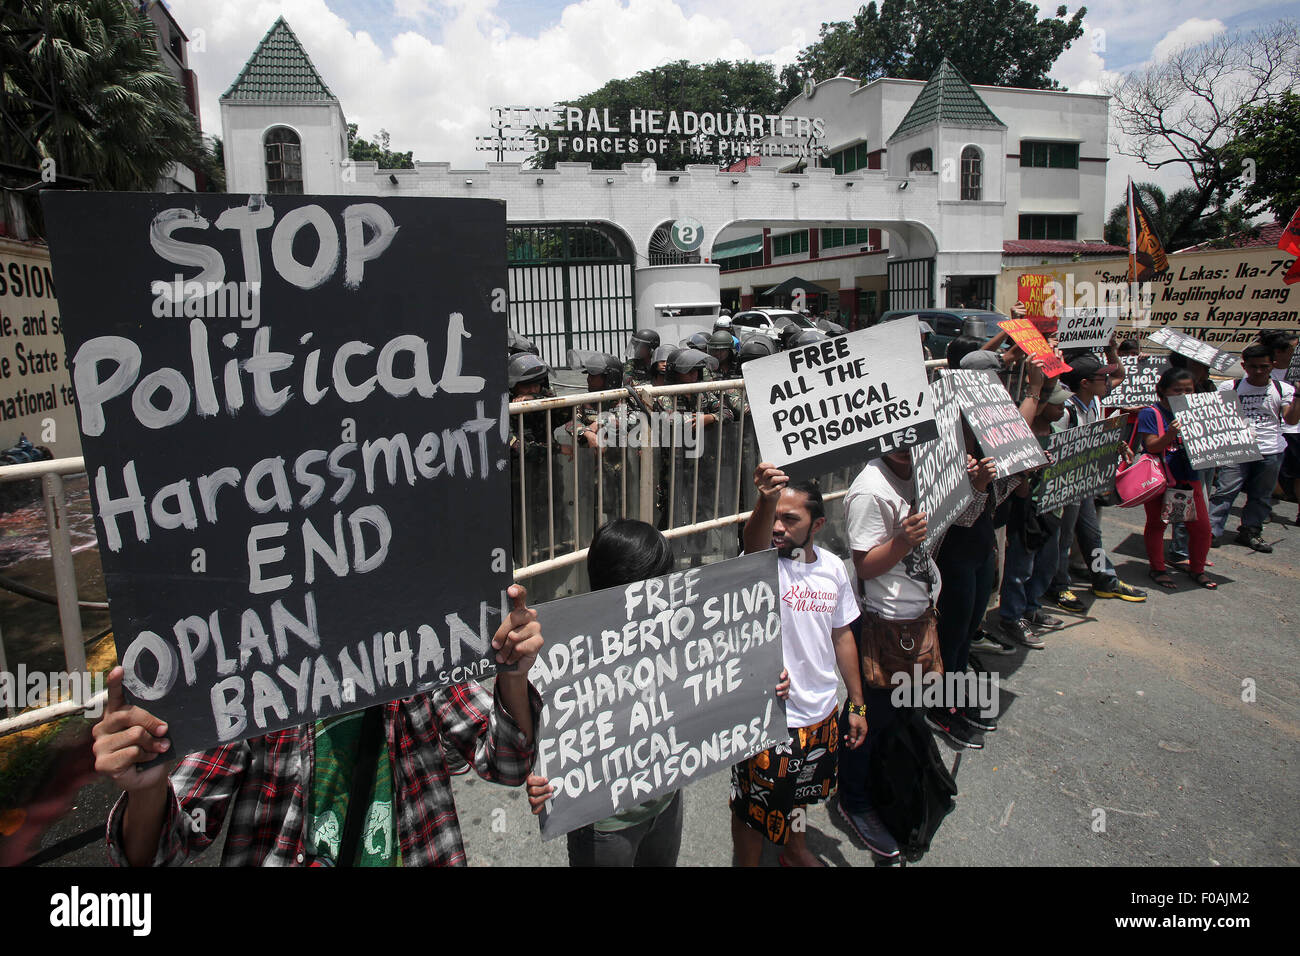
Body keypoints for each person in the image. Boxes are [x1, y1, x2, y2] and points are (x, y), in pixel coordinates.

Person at [92, 585, 544, 866]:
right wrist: (148, 788)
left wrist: (513, 675)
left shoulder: (415, 649)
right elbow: (163, 850)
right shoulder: (251, 675)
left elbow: (506, 762)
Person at [523, 520, 699, 866]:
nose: (668, 589)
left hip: (666, 801)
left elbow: (718, 676)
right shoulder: (567, 655)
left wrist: (766, 683)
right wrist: (539, 768)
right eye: (659, 581)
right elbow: (536, 726)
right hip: (604, 821)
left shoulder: (674, 628)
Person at [733, 467, 866, 866]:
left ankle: (795, 849)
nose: (778, 527)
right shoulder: (762, 563)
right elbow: (754, 541)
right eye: (774, 516)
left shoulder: (833, 569)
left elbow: (842, 636)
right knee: (750, 810)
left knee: (800, 795)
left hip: (820, 716)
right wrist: (765, 498)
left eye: (790, 519)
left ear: (819, 524)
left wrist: (856, 703)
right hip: (769, 720)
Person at [838, 448, 940, 859]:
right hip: (885, 628)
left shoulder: (928, 467)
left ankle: (880, 781)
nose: (908, 439)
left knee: (895, 712)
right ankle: (854, 800)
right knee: (866, 716)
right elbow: (864, 566)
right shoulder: (869, 490)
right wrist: (901, 541)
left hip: (917, 620)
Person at [1044, 353, 1147, 612]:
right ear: (1085, 383)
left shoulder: (1096, 403)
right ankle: (1058, 585)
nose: (1109, 381)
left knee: (1092, 534)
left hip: (1085, 484)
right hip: (1067, 487)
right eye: (1103, 377)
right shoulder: (1065, 411)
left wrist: (1117, 444)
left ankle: (1104, 577)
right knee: (1064, 538)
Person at [995, 378, 1071, 649]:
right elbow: (1020, 487)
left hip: (1053, 508)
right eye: (1056, 403)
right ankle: (1012, 615)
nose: (1062, 407)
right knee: (1020, 567)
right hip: (1026, 512)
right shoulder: (1023, 436)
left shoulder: (1059, 433)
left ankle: (1031, 607)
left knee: (1046, 563)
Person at [1208, 343, 1299, 552]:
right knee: (1225, 491)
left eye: (1264, 367)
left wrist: (1299, 398)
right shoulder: (1229, 387)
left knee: (1261, 494)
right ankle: (1212, 530)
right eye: (1253, 367)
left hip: (1270, 450)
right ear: (1244, 366)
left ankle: (1250, 531)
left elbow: (1291, 420)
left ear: (1273, 365)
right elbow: (1216, 419)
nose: (1258, 371)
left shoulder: (1283, 389)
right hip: (1237, 448)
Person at [1135, 368, 1216, 589]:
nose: (1182, 395)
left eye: (1188, 390)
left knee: (1201, 528)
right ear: (1162, 391)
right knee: (1157, 524)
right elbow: (1151, 445)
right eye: (1176, 390)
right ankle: (1158, 568)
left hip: (1190, 477)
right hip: (1161, 478)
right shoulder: (1151, 413)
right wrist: (1170, 434)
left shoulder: (1198, 412)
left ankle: (1197, 569)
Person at [1262, 331, 1300, 525]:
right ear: (1279, 352)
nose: (1297, 353)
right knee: (1270, 475)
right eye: (1294, 349)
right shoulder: (1263, 370)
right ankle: (1262, 508)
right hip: (1275, 431)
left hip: (1295, 428)